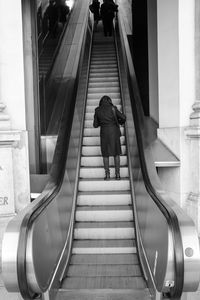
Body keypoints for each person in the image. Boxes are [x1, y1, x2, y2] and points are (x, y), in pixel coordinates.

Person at [93, 95, 126, 180]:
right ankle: (118, 175)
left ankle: (107, 175)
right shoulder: (113, 108)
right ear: (110, 101)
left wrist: (102, 122)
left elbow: (95, 125)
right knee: (116, 154)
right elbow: (123, 117)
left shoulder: (97, 110)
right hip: (114, 133)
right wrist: (119, 122)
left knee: (105, 155)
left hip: (104, 134)